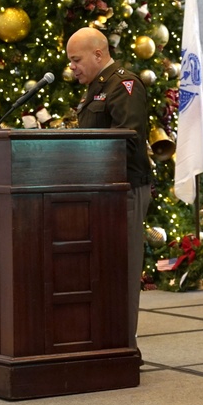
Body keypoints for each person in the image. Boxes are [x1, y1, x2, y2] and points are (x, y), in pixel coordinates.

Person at [66, 26, 152, 350]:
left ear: (98, 54)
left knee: (124, 271)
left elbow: (126, 139)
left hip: (124, 191)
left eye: (76, 60)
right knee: (102, 270)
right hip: (99, 194)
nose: (72, 67)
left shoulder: (124, 86)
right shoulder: (96, 89)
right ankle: (102, 343)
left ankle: (123, 349)